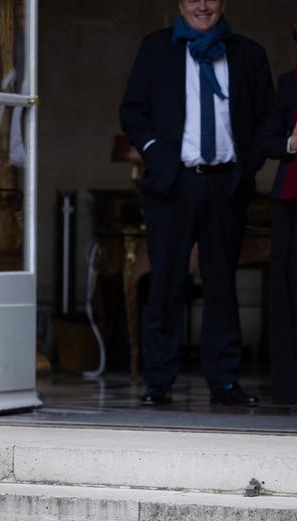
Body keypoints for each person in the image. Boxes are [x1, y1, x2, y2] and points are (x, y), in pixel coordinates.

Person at [119, 0, 273, 406]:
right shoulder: (156, 48)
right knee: (166, 282)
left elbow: (267, 121)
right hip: (173, 184)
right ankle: (158, 382)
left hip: (227, 184)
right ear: (180, 3)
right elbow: (132, 110)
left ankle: (224, 381)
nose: (202, 6)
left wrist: (249, 161)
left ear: (224, 2)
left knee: (222, 284)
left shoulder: (249, 55)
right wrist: (153, 151)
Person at [259, 23, 297, 411]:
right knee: (287, 295)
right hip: (291, 201)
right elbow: (265, 141)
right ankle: (289, 388)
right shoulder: (288, 84)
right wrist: (291, 142)